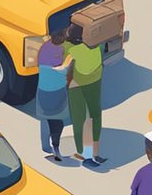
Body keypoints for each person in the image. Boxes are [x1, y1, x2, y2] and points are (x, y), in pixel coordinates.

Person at [64, 24, 106, 168]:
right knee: (95, 116)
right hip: (95, 81)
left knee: (79, 118)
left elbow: (62, 62)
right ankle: (95, 153)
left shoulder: (69, 48)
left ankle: (83, 153)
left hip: (77, 85)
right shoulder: (96, 46)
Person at [36, 28, 71, 161]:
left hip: (45, 89)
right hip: (53, 91)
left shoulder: (46, 47)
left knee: (45, 119)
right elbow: (57, 71)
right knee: (56, 122)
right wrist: (67, 64)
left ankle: (46, 146)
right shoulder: (53, 50)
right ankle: (54, 148)